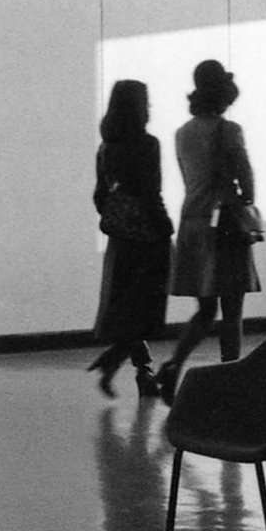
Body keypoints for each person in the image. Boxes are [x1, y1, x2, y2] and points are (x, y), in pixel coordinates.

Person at [155, 58, 258, 398]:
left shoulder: (182, 133)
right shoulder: (229, 130)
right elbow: (245, 178)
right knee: (232, 310)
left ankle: (174, 364)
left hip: (192, 222)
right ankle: (231, 375)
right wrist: (246, 202)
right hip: (224, 225)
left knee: (205, 308)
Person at [87, 79, 171, 396]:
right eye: (146, 103)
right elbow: (152, 194)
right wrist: (165, 229)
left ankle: (140, 369)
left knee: (129, 306)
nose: (150, 108)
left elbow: (99, 196)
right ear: (138, 108)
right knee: (147, 307)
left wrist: (118, 216)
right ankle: (125, 363)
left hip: (121, 240)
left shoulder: (105, 149)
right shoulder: (148, 145)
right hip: (149, 237)